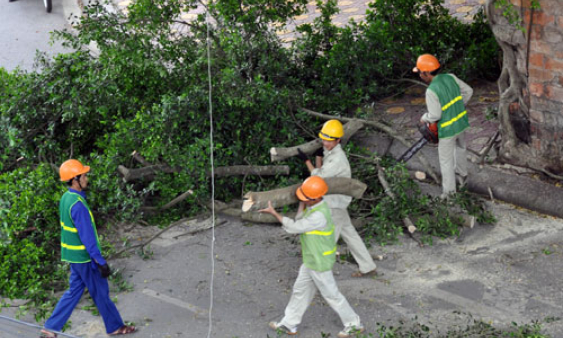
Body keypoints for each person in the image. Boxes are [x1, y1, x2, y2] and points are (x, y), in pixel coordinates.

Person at [259, 176, 365, 338]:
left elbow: (295, 227)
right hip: (311, 260)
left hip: (319, 262)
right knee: (300, 291)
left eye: (305, 198)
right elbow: (300, 218)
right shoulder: (315, 207)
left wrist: (275, 213)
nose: (303, 200)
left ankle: (354, 324)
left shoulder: (318, 216)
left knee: (332, 295)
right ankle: (289, 323)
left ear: (315, 198)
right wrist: (303, 201)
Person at [41, 159, 136, 338]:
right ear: (75, 179)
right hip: (85, 258)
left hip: (72, 256)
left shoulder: (66, 198)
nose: (87, 178)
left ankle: (50, 328)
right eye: (84, 175)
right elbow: (88, 237)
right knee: (101, 293)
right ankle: (115, 326)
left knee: (74, 292)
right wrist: (100, 261)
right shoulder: (78, 205)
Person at [296, 119, 377, 277]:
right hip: (335, 201)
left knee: (326, 241)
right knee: (350, 234)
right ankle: (368, 266)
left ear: (338, 140)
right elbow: (322, 170)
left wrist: (306, 161)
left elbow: (318, 178)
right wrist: (319, 156)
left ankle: (316, 275)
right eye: (323, 139)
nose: (325, 143)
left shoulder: (338, 159)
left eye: (328, 140)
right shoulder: (331, 153)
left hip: (335, 204)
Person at [414, 53, 473, 198]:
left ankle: (449, 194)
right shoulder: (451, 77)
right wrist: (458, 106)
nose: (420, 76)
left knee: (446, 162)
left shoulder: (431, 90)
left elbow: (435, 115)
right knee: (460, 150)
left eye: (421, 73)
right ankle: (463, 181)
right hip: (460, 123)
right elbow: (469, 91)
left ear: (427, 73)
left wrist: (424, 118)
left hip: (447, 130)